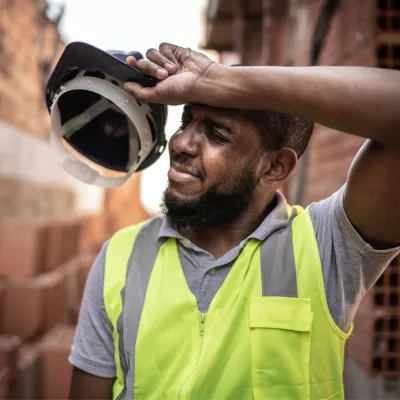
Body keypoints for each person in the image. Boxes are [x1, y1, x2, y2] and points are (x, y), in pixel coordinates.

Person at [68, 43, 400, 400]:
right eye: (186, 121)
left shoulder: (325, 248)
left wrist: (218, 79)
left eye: (217, 133)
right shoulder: (121, 255)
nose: (180, 142)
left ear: (274, 168)